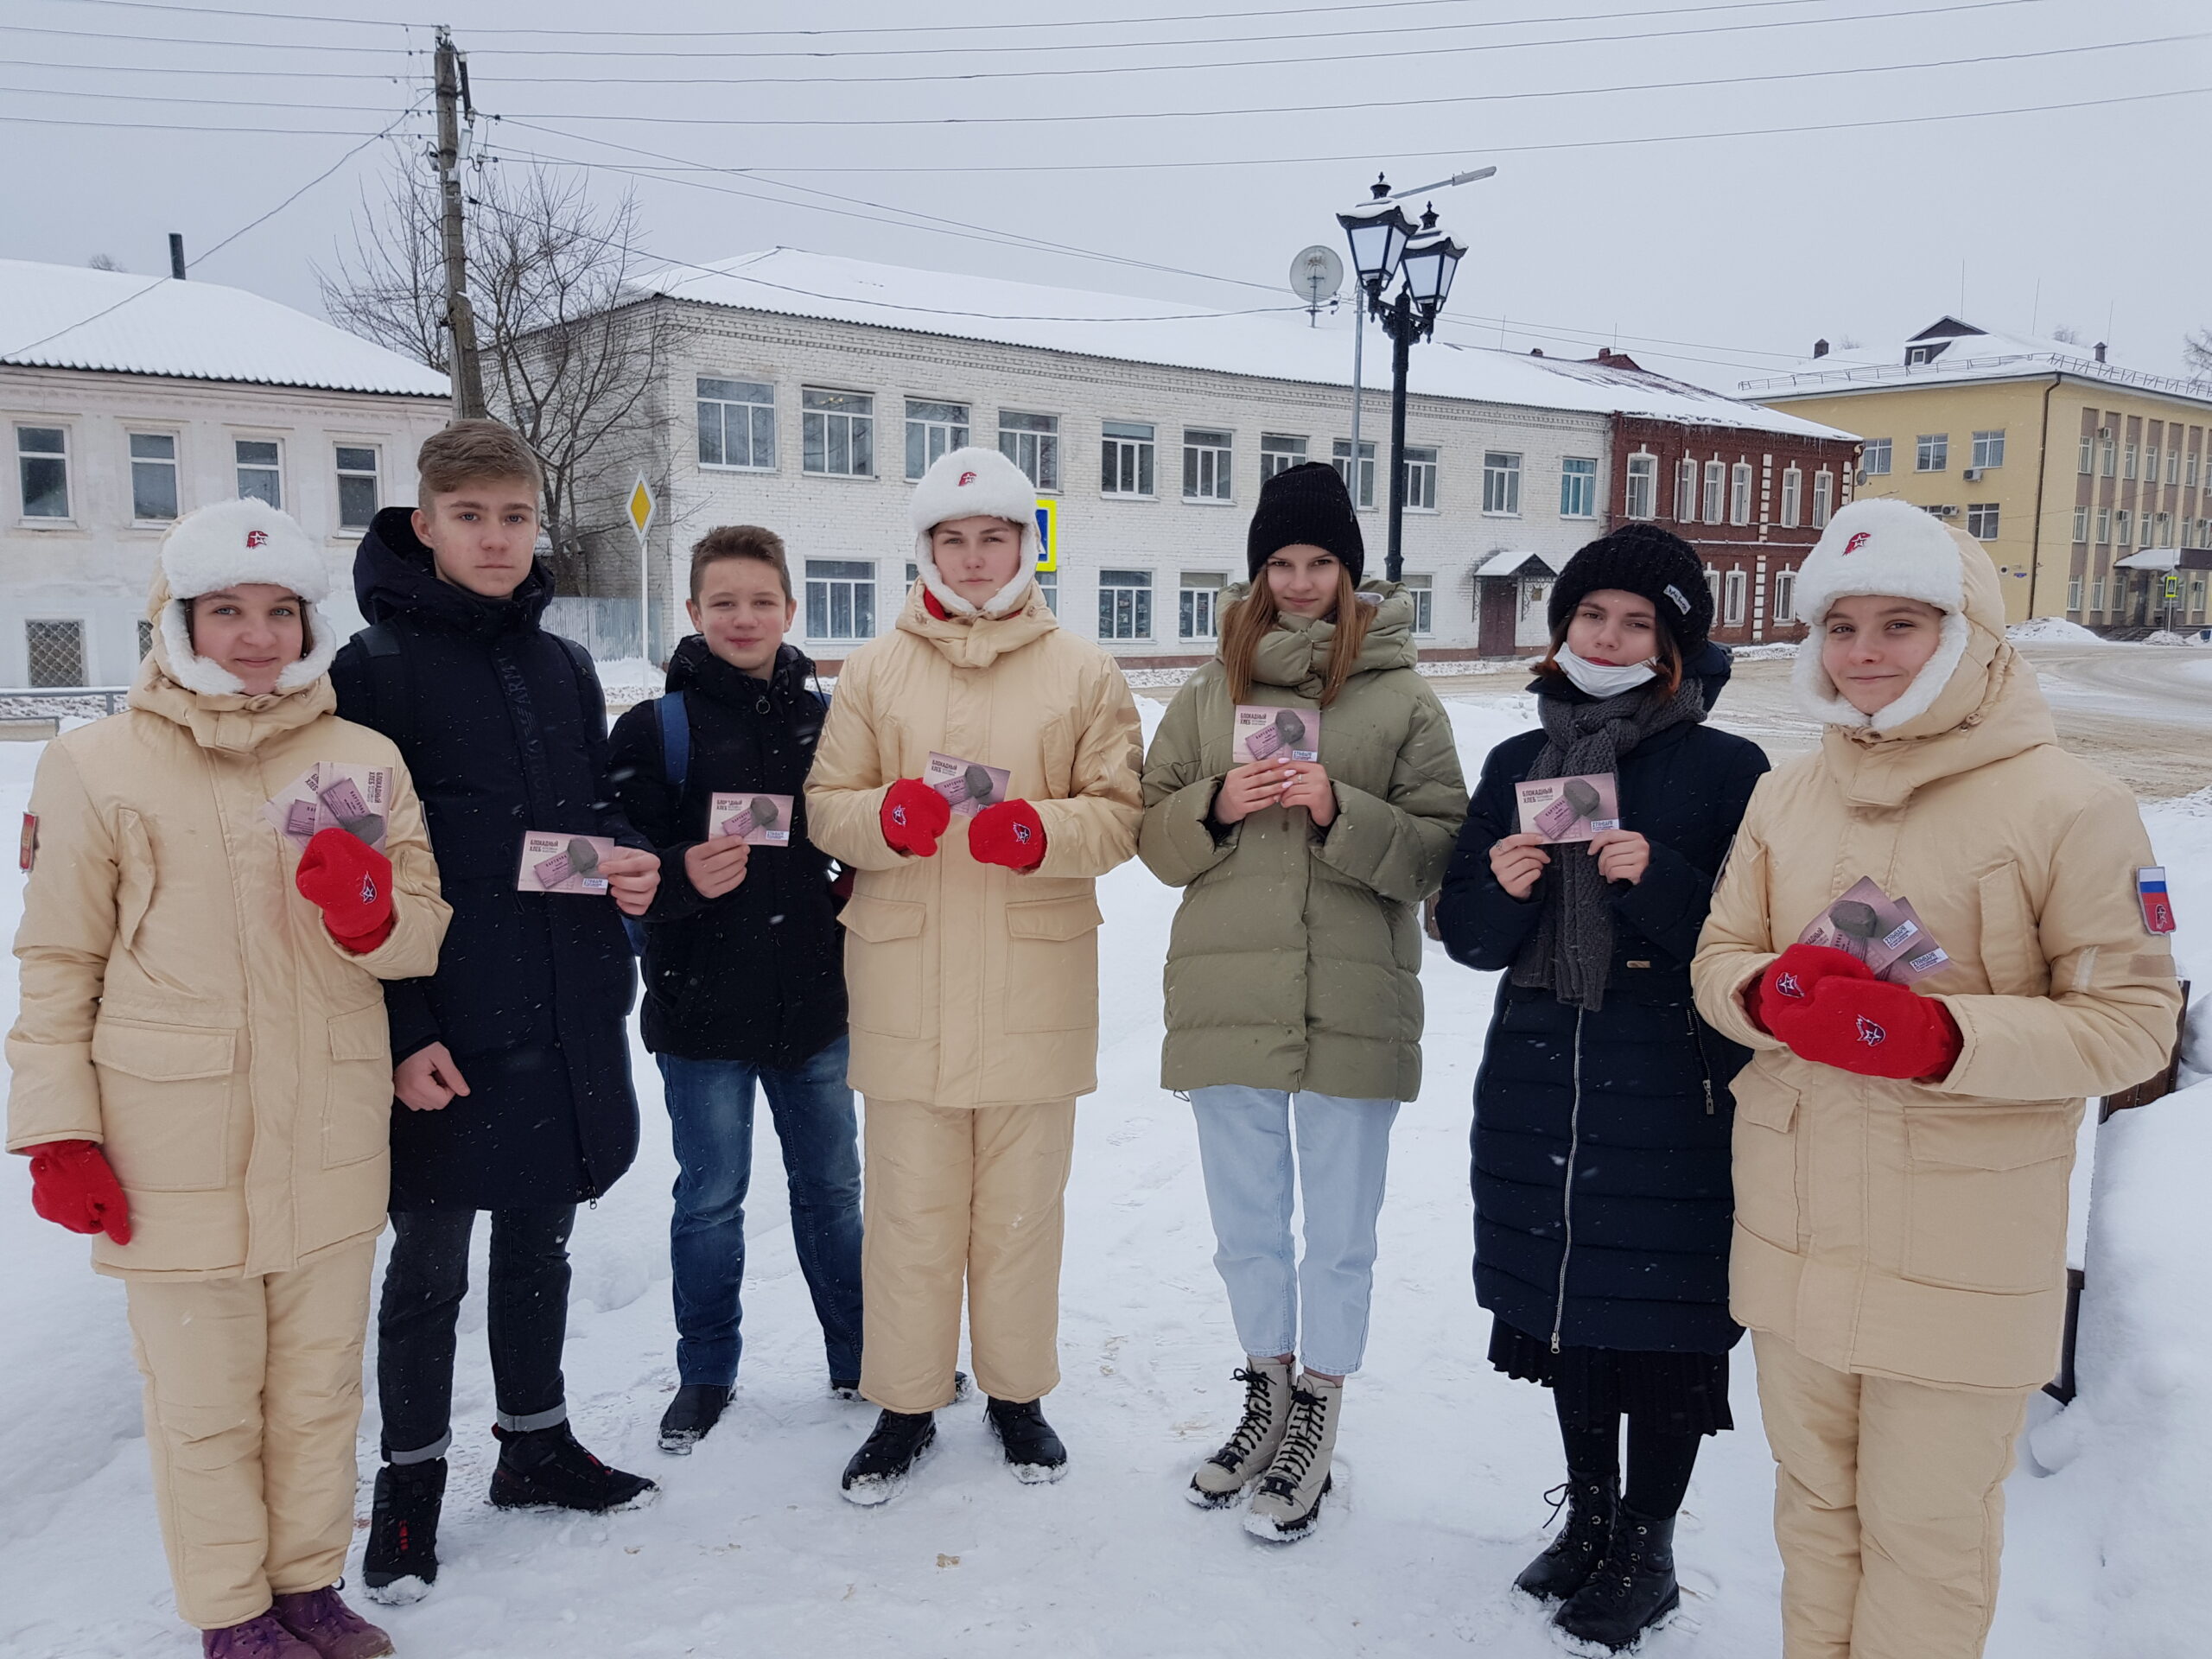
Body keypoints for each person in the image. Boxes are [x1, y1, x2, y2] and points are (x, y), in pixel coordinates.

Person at [1691, 498, 2183, 1659]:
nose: (1863, 653)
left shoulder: (2073, 805)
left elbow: (2134, 1026)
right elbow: (1718, 959)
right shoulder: (1783, 793)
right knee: (1814, 1522)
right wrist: (1766, 994)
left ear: (1967, 635)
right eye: (1841, 626)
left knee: (1926, 1545)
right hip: (1795, 1236)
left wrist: (1942, 1040)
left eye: (1899, 624)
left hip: (1960, 1256)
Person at [8, 499, 449, 1658]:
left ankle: (306, 1588)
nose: (257, 637)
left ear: (309, 623)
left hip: (330, 1129)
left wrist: (373, 915)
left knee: (317, 1390)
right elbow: (58, 960)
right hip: (173, 1140)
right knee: (203, 1405)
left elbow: (421, 929)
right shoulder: (94, 763)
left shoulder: (364, 759)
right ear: (180, 620)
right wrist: (57, 1129)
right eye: (227, 612)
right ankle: (232, 1614)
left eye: (279, 612)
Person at [331, 420, 664, 1604]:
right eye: (469, 517)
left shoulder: (563, 665)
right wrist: (403, 1030)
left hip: (563, 1003)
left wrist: (622, 858)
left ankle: (534, 1446)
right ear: (424, 525)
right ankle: (410, 1490)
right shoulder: (368, 670)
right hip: (447, 1022)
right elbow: (355, 871)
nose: (495, 538)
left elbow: (576, 818)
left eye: (514, 517)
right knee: (429, 1267)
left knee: (538, 1243)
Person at [1434, 524, 1769, 1648]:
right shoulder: (1515, 763)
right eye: (1592, 616)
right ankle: (1587, 1518)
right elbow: (1469, 940)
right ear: (1562, 627)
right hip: (1539, 1070)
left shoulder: (1726, 769)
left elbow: (1752, 940)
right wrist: (1501, 885)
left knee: (1662, 1323)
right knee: (1569, 1309)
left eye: (1637, 623)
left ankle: (1648, 1545)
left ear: (1673, 646)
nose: (1611, 637)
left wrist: (1657, 876)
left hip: (1670, 1080)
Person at [804, 445, 1142, 1503]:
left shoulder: (1082, 670)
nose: (974, 557)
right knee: (908, 1216)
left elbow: (1119, 812)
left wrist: (1041, 831)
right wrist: (883, 817)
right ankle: (905, 1404)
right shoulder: (873, 670)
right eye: (952, 539)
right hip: (906, 981)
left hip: (1031, 984)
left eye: (994, 536)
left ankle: (1015, 1394)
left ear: (1025, 545)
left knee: (1020, 1216)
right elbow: (827, 806)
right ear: (925, 550)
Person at [1139, 461, 1466, 1542]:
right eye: (1279, 562)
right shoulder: (1208, 691)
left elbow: (1440, 852)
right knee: (1245, 1226)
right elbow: (1152, 838)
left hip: (1353, 995)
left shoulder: (1402, 698)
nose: (1297, 581)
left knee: (1338, 1230)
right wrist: (1214, 803)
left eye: (1319, 560)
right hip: (1227, 989)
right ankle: (1266, 1389)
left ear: (1350, 570)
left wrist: (1339, 810)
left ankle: (1319, 1403)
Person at [604, 525, 862, 1452]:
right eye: (724, 602)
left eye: (761, 601)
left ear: (790, 609)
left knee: (832, 1194)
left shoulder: (833, 724)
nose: (743, 618)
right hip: (700, 1011)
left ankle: (862, 1357)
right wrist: (677, 874)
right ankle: (706, 1373)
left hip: (815, 1009)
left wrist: (857, 877)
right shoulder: (654, 729)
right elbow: (613, 855)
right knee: (710, 1202)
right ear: (693, 611)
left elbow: (858, 836)